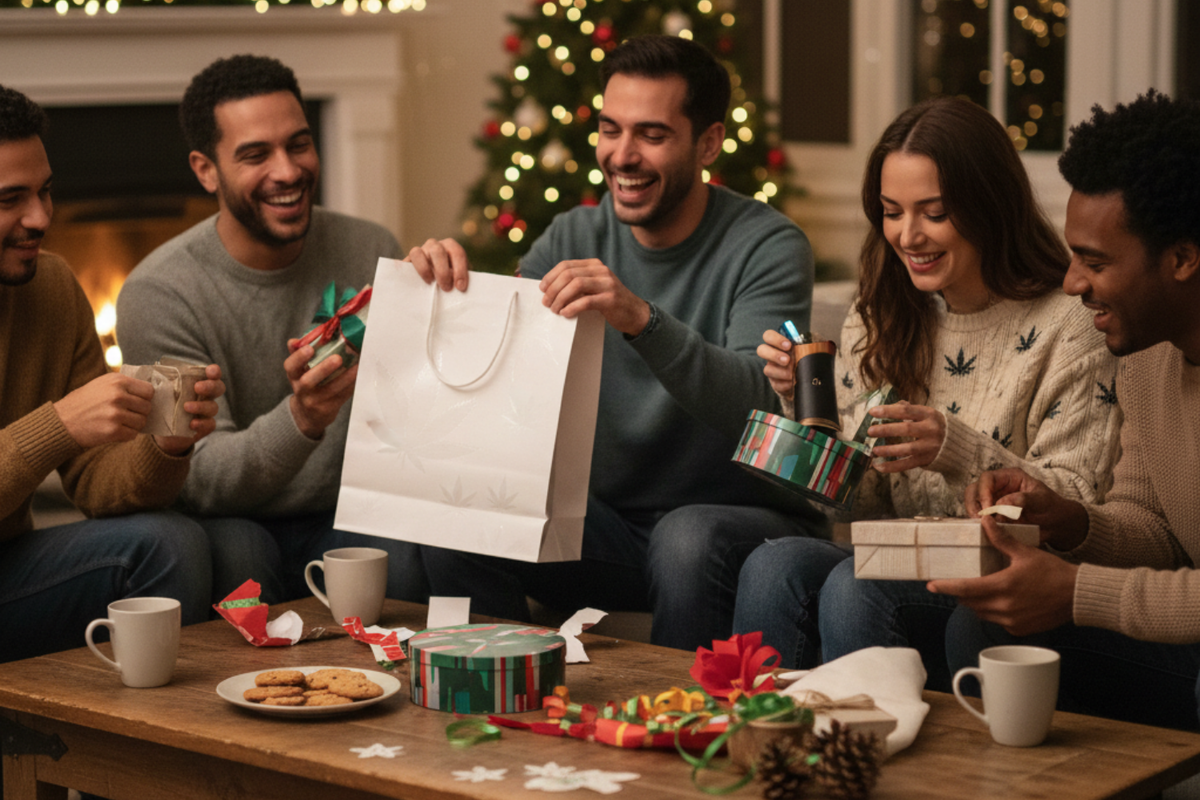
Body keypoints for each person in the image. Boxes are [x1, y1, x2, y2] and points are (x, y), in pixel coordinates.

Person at [409, 35, 822, 650]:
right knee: (461, 510)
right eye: (609, 129)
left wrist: (641, 320)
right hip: (603, 531)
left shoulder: (767, 246)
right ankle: (500, 696)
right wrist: (440, 297)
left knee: (686, 537)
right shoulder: (571, 234)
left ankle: (679, 727)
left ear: (708, 142)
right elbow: (500, 384)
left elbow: (761, 407)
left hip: (731, 524)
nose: (621, 156)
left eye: (652, 135)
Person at [732, 97, 1122, 684]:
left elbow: (1075, 505)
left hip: (1013, 576)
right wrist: (801, 403)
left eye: (934, 213)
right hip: (902, 556)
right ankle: (761, 750)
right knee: (772, 564)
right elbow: (855, 503)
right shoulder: (882, 312)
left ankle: (869, 757)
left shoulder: (1069, 323)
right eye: (891, 212)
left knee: (854, 584)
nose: (907, 235)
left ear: (989, 207)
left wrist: (956, 451)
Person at [116, 55, 428, 605]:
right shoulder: (156, 294)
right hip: (232, 521)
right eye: (256, 155)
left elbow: (412, 411)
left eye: (299, 144)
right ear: (205, 169)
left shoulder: (369, 247)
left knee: (400, 547)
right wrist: (303, 418)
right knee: (239, 553)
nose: (288, 171)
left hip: (349, 512)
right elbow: (199, 475)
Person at [934, 91, 1200, 730]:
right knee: (981, 631)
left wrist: (1078, 591)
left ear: (1183, 259)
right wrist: (1067, 519)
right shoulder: (1145, 356)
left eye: (1096, 261)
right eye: (1073, 254)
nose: (1073, 283)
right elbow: (1155, 533)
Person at [0, 84, 225, 662]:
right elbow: (62, 431)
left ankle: (151, 743)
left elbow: (95, 483)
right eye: (10, 199)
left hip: (10, 568)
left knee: (171, 543)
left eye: (46, 192)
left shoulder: (49, 287)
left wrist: (166, 445)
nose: (40, 217)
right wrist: (59, 424)